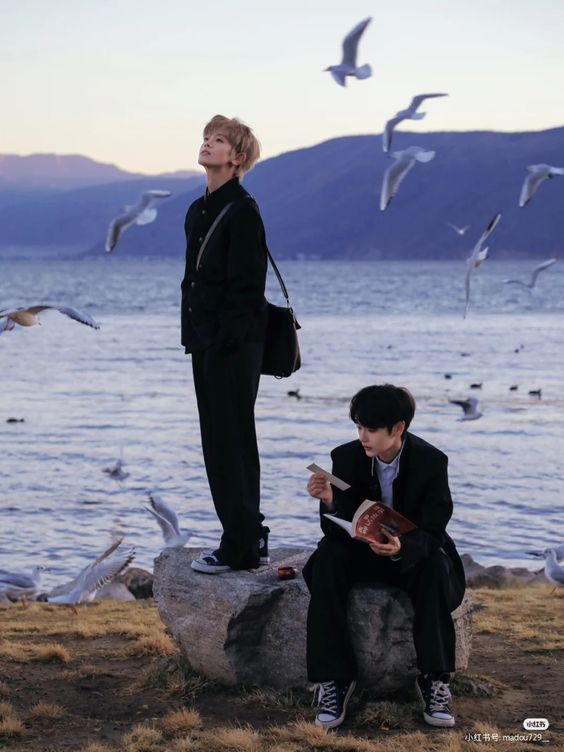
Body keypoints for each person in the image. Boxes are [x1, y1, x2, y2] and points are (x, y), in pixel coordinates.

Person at [303, 384, 466, 729]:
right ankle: (334, 679)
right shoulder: (345, 457)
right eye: (358, 426)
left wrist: (402, 547)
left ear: (398, 428)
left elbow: (435, 528)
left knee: (436, 565)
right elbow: (333, 528)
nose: (363, 436)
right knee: (327, 560)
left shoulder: (432, 461)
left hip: (412, 557)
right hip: (361, 552)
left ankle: (435, 679)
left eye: (371, 429)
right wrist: (329, 500)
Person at [181, 114, 270, 574]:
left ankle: (241, 546)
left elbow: (246, 289)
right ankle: (246, 535)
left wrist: (224, 343)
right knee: (217, 443)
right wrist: (196, 338)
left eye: (218, 141)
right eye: (205, 138)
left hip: (234, 346)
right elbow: (194, 283)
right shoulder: (198, 210)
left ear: (237, 159)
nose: (207, 144)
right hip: (205, 343)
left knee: (233, 443)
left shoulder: (242, 210)